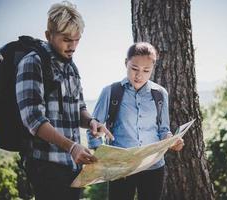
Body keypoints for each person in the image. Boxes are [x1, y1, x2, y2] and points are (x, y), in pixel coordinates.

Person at [15, 1, 112, 199]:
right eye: (67, 39)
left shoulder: (71, 67)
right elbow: (33, 120)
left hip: (73, 165)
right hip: (46, 167)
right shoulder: (33, 63)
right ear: (49, 35)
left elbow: (79, 108)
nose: (73, 46)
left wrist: (92, 122)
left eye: (77, 40)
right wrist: (72, 147)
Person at [87, 42, 184, 200]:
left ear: (153, 69)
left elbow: (163, 129)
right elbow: (93, 128)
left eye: (146, 71)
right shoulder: (111, 92)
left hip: (153, 166)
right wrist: (100, 155)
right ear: (126, 63)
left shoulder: (160, 94)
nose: (139, 75)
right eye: (134, 69)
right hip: (121, 168)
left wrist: (171, 140)